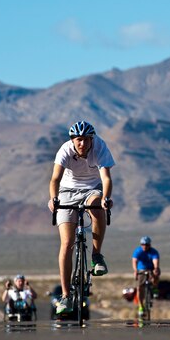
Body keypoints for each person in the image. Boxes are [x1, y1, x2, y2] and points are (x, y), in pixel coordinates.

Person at [48, 120, 115, 315]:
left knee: (97, 207)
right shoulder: (65, 150)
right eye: (79, 140)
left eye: (86, 140)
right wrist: (54, 198)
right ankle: (66, 296)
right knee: (67, 243)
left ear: (91, 139)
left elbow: (106, 179)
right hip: (67, 191)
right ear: (73, 140)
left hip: (92, 189)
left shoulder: (100, 147)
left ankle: (96, 256)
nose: (83, 144)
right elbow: (55, 179)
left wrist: (106, 198)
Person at [132, 236, 160, 316]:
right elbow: (134, 261)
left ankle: (154, 287)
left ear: (149, 245)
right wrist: (135, 270)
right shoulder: (138, 251)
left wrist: (156, 268)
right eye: (143, 244)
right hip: (141, 269)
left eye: (146, 245)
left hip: (151, 268)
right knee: (139, 288)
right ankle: (141, 306)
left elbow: (156, 261)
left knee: (156, 273)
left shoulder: (153, 252)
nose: (144, 246)